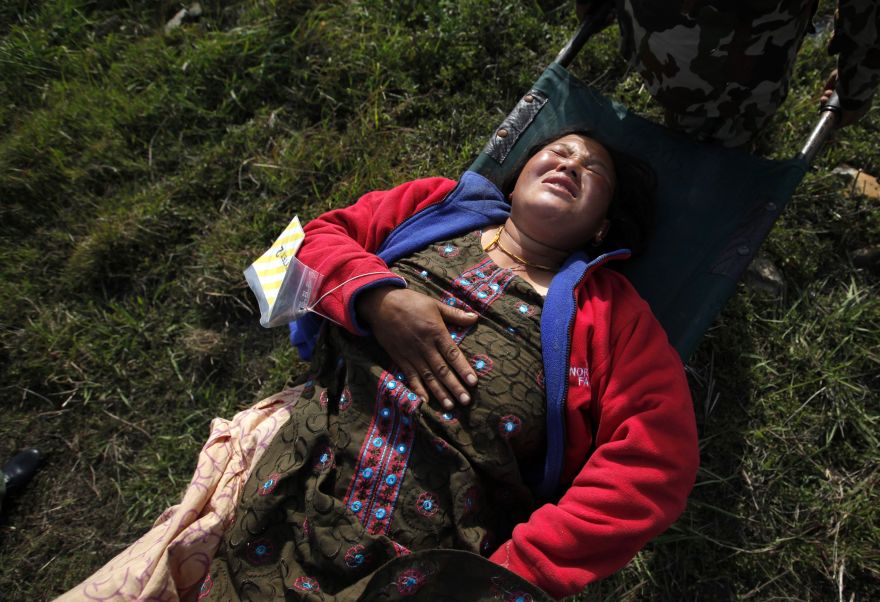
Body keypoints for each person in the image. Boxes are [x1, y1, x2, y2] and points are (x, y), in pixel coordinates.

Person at [60, 132, 698, 601]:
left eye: (594, 171)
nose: (571, 162)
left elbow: (656, 459)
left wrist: (522, 568)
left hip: (432, 548)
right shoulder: (439, 208)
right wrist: (378, 298)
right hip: (298, 477)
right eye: (559, 150)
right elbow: (298, 249)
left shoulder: (611, 312)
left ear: (601, 228)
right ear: (518, 174)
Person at [572, 0, 880, 148]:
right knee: (717, 134)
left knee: (713, 141)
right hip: (728, 66)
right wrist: (859, 81)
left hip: (716, 51)